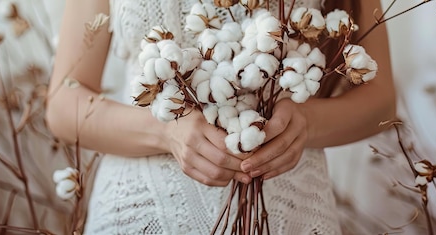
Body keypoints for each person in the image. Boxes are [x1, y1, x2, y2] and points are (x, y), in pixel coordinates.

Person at [46, 0, 395, 234]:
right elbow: (63, 104)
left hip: (292, 213)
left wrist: (305, 123)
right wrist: (165, 132)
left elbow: (380, 99)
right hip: (142, 214)